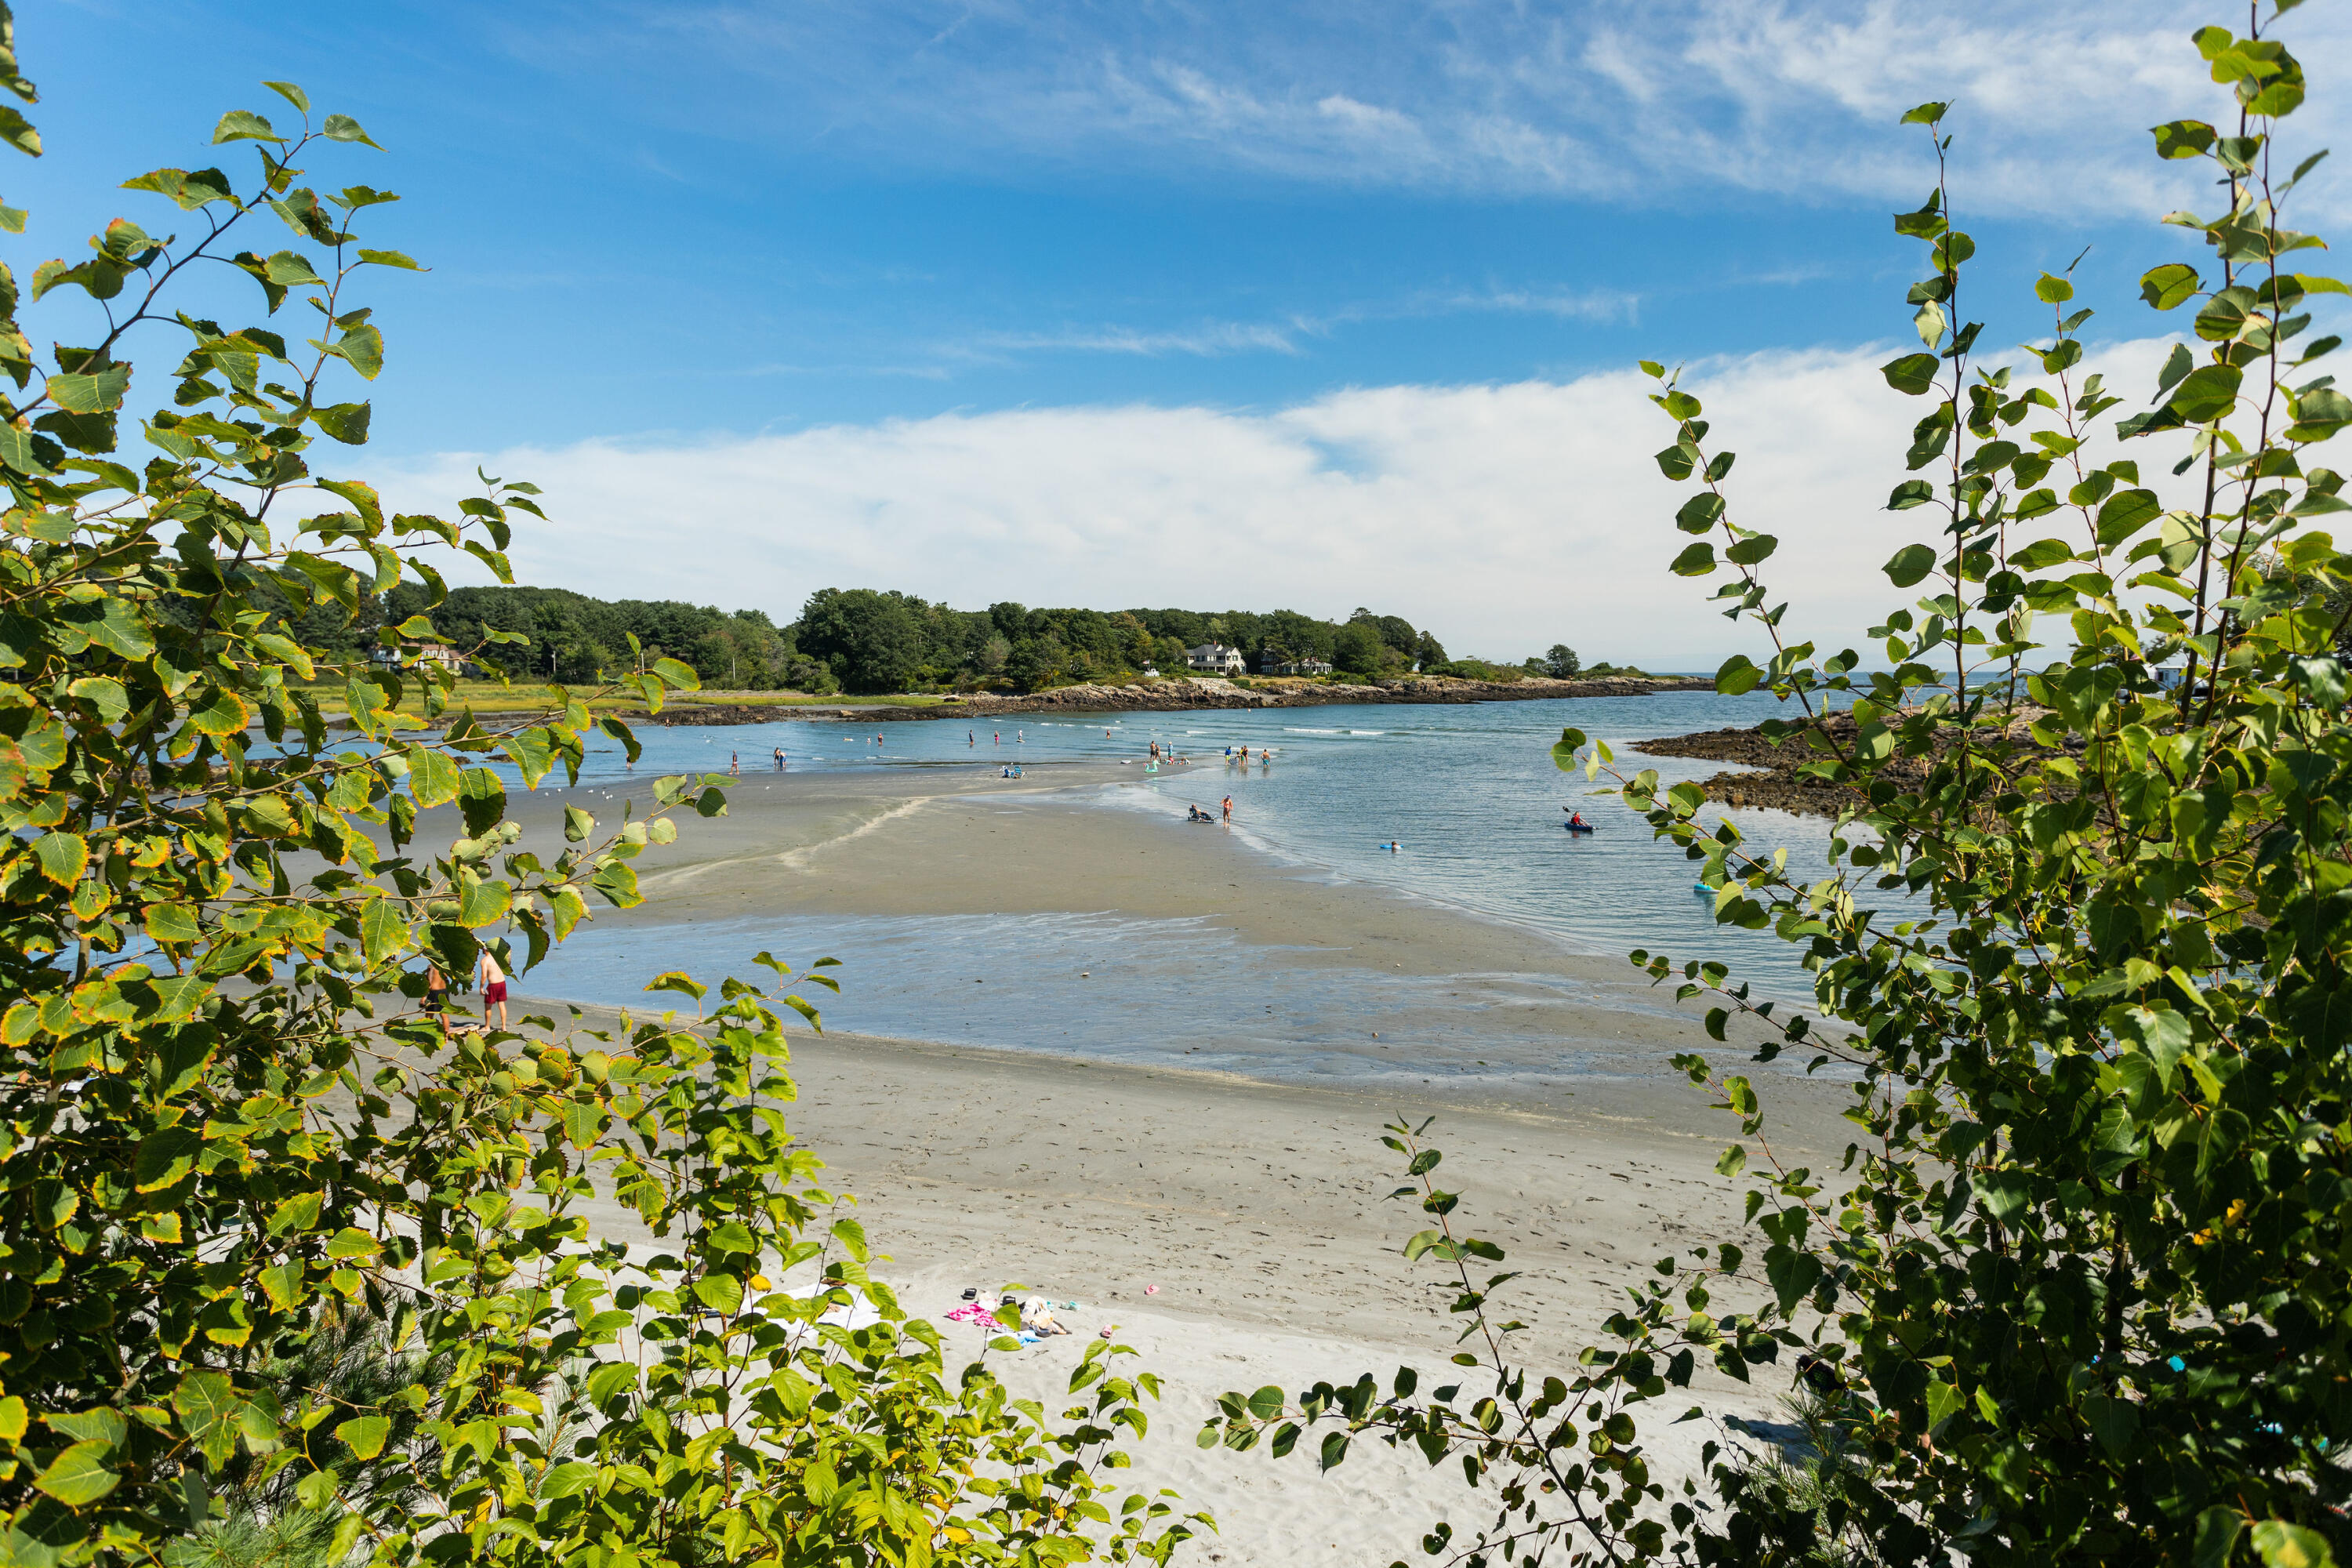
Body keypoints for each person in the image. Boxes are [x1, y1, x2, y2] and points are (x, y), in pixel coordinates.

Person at [477, 949, 509, 1029]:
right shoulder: (498, 957)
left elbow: (484, 976)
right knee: (501, 1004)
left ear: (485, 950)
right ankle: (504, 1027)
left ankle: (487, 1026)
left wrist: (481, 988)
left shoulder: (485, 960)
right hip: (502, 983)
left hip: (493, 985)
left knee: (488, 1006)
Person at [422, 962, 450, 1041]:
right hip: (444, 991)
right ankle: (446, 1036)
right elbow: (447, 980)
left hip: (434, 993)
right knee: (444, 1014)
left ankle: (429, 1035)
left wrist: (424, 997)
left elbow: (429, 983)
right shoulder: (444, 966)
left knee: (429, 1015)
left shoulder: (431, 966)